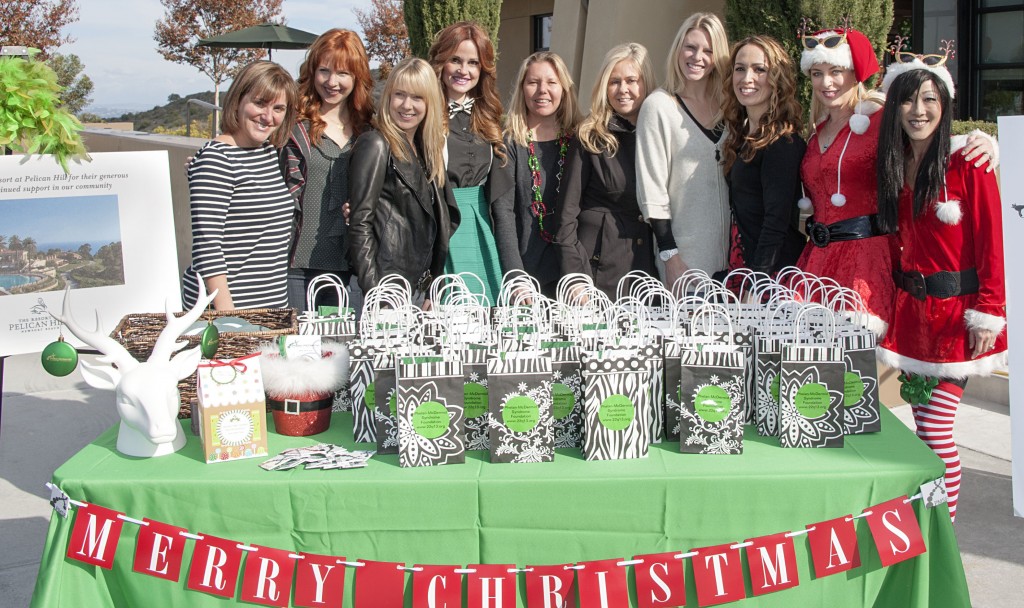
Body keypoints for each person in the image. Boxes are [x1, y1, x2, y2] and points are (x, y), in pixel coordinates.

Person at [796, 26, 996, 335]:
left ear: (855, 73)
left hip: (865, 262)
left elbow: (927, 132)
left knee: (853, 372)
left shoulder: (879, 119)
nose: (827, 82)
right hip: (816, 264)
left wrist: (982, 143)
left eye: (836, 71)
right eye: (817, 73)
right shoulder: (815, 132)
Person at [875, 56, 1007, 523]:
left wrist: (991, 309)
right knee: (922, 426)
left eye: (930, 99)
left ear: (945, 103)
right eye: (907, 98)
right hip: (912, 321)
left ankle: (942, 532)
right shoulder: (893, 163)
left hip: (958, 319)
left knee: (935, 428)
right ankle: (929, 525)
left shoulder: (968, 161)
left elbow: (994, 241)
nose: (918, 109)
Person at [182, 61, 298, 310]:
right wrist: (230, 322)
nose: (268, 117)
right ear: (238, 100)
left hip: (269, 310)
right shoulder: (217, 159)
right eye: (259, 103)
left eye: (278, 108)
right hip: (232, 316)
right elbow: (207, 249)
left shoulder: (266, 152)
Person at [347, 57, 459, 308]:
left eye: (417, 98)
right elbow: (359, 224)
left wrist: (430, 286)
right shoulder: (376, 144)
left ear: (430, 103)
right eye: (400, 95)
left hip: (414, 291)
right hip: (382, 289)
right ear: (388, 96)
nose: (407, 105)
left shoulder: (426, 152)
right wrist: (376, 295)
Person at [636, 12, 732, 289]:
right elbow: (652, 192)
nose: (697, 56)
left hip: (733, 267)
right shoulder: (659, 107)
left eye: (708, 50)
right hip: (685, 265)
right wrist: (670, 257)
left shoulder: (730, 109)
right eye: (690, 47)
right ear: (678, 48)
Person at [281, 29, 374, 312]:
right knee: (298, 351)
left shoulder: (370, 130)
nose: (332, 82)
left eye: (343, 73)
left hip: (350, 271)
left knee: (342, 350)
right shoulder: (292, 123)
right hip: (296, 267)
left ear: (357, 77)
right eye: (324, 71)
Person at [556, 43, 658, 297]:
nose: (623, 89)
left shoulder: (659, 133)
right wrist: (575, 277)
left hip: (649, 270)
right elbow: (565, 215)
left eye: (632, 80)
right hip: (596, 273)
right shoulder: (590, 136)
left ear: (646, 83)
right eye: (614, 81)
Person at [428, 21, 509, 305]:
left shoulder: (489, 118)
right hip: (445, 224)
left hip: (483, 225)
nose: (464, 70)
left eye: (473, 62)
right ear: (441, 62)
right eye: (456, 60)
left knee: (489, 312)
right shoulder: (425, 115)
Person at [492, 51, 582, 297]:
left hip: (575, 277)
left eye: (552, 82)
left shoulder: (581, 140)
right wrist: (516, 278)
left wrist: (579, 276)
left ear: (564, 89)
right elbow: (504, 213)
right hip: (525, 278)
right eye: (533, 82)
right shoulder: (508, 143)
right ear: (522, 88)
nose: (543, 90)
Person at [721, 35, 806, 275]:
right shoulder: (742, 136)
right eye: (740, 69)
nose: (747, 78)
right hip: (745, 265)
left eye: (759, 69)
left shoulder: (782, 142)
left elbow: (775, 223)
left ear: (777, 79)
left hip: (774, 275)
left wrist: (757, 282)